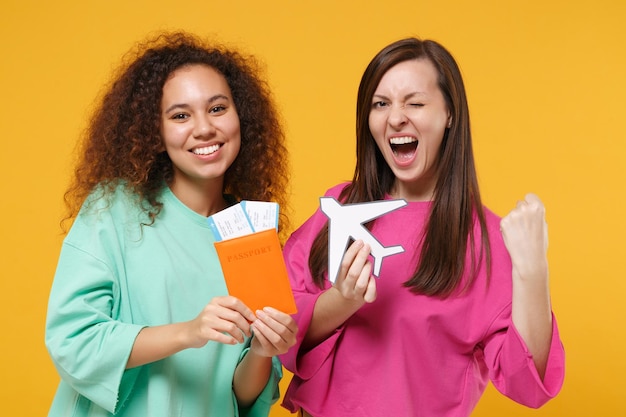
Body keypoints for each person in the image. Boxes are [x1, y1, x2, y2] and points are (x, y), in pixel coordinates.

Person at [279, 38, 565, 417]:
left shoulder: (487, 241)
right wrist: (341, 301)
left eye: (414, 103)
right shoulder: (341, 207)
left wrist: (533, 271)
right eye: (381, 104)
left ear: (450, 114)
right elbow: (280, 329)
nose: (396, 117)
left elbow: (528, 383)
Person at [44, 31, 297, 417]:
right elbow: (72, 340)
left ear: (240, 118)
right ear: (155, 132)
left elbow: (244, 399)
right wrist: (189, 332)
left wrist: (263, 351)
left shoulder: (252, 233)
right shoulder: (114, 209)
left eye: (217, 108)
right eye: (180, 115)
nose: (204, 129)